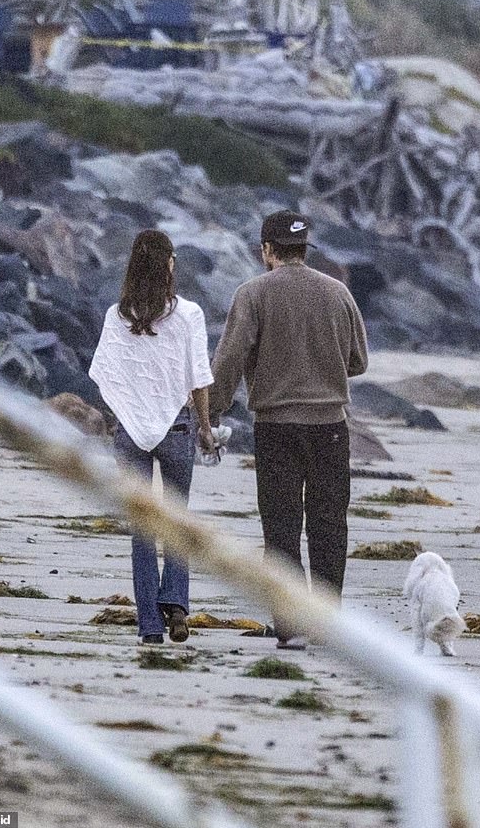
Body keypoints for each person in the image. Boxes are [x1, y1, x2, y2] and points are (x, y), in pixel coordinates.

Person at [209, 210, 369, 648]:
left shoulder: (253, 294)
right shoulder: (338, 293)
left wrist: (211, 410)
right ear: (303, 249)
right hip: (331, 428)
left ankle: (290, 623)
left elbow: (229, 360)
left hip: (276, 428)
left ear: (266, 250)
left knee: (280, 526)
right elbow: (358, 362)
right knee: (329, 525)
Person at [89, 230, 215, 645]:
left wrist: (123, 415)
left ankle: (149, 626)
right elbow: (199, 378)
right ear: (170, 265)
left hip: (129, 431)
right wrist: (207, 428)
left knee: (142, 528)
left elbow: (105, 376)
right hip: (178, 426)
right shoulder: (189, 314)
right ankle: (176, 601)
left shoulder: (116, 315)